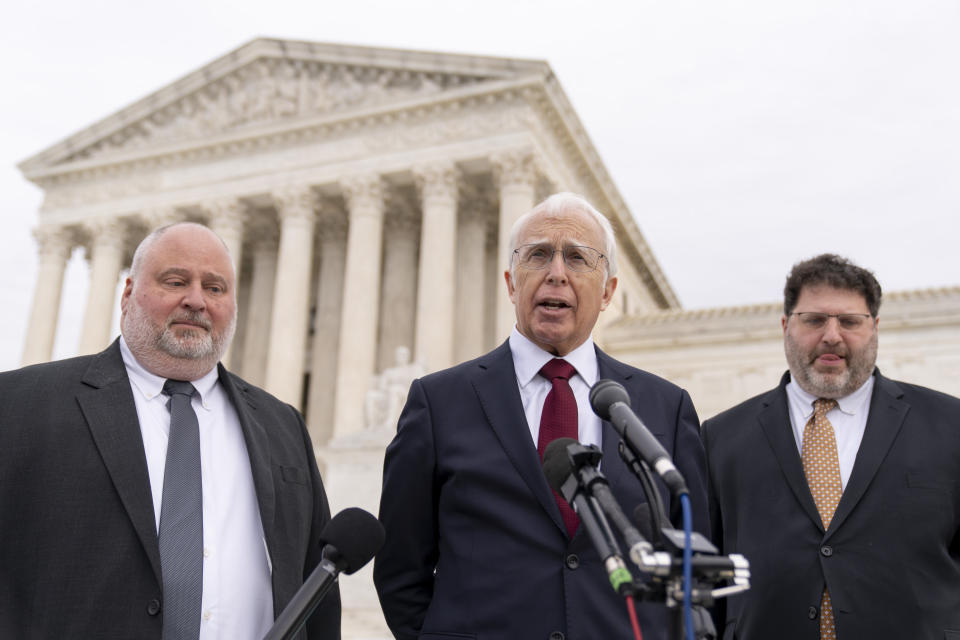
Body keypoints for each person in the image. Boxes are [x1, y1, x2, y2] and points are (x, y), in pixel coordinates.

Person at [373, 193, 709, 640]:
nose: (556, 273)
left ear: (608, 291)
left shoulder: (664, 408)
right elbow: (400, 569)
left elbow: (697, 564)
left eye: (577, 257)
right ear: (512, 284)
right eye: (538, 255)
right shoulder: (437, 403)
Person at [0, 222, 340, 640]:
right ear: (127, 295)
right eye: (175, 281)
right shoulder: (19, 406)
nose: (196, 300)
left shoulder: (282, 425)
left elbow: (316, 588)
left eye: (215, 289)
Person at [702, 254, 960, 639]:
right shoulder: (721, 438)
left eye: (850, 321)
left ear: (875, 328)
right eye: (815, 319)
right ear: (786, 325)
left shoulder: (948, 424)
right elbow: (706, 574)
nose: (832, 335)